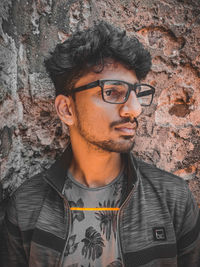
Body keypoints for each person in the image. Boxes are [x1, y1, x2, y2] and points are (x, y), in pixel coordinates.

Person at [1, 21, 200, 267]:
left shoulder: (174, 199)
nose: (135, 109)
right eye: (113, 92)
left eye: (138, 94)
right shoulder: (26, 205)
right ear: (67, 109)